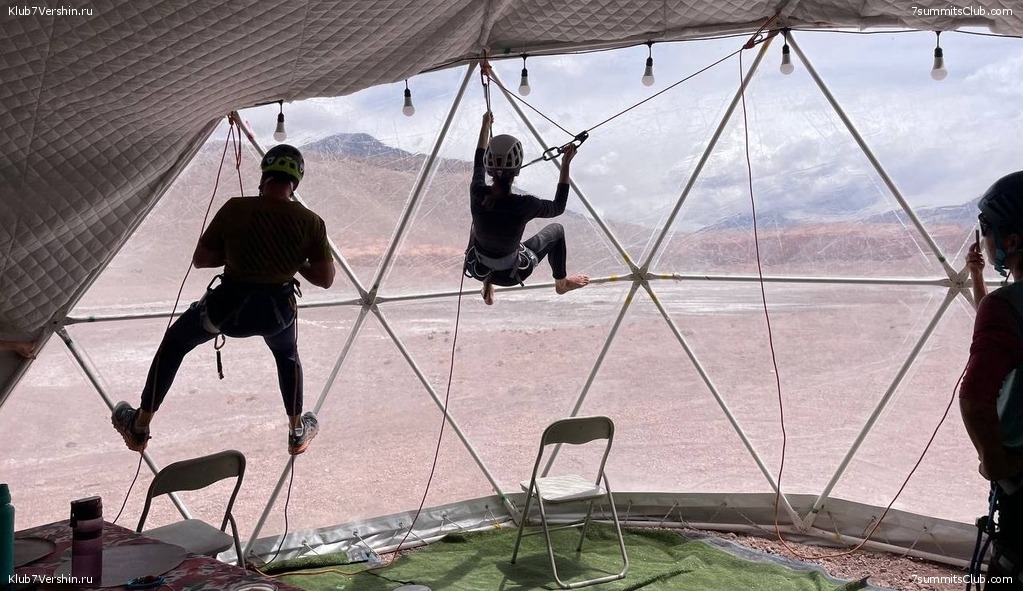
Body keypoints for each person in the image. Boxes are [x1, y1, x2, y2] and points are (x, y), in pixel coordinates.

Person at [111, 144, 335, 455]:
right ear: (295, 182)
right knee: (287, 356)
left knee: (175, 343)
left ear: (264, 176)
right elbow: (325, 279)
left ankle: (139, 425)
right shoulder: (311, 222)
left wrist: (234, 254)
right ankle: (297, 431)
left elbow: (201, 259)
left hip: (227, 311)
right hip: (276, 315)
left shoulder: (235, 208)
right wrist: (293, 261)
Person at [960, 171, 1023, 586]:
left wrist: (994, 462)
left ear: (1011, 241)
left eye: (987, 231)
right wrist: (978, 278)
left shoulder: (1007, 307)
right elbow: (1002, 333)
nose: (984, 240)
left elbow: (974, 398)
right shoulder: (1005, 308)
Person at [463, 111, 589, 305]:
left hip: (477, 267)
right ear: (517, 170)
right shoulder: (525, 205)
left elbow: (478, 159)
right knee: (557, 230)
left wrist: (485, 125)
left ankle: (487, 284)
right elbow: (558, 207)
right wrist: (565, 164)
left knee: (479, 225)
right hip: (511, 275)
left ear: (488, 168)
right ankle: (562, 283)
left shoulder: (477, 192)